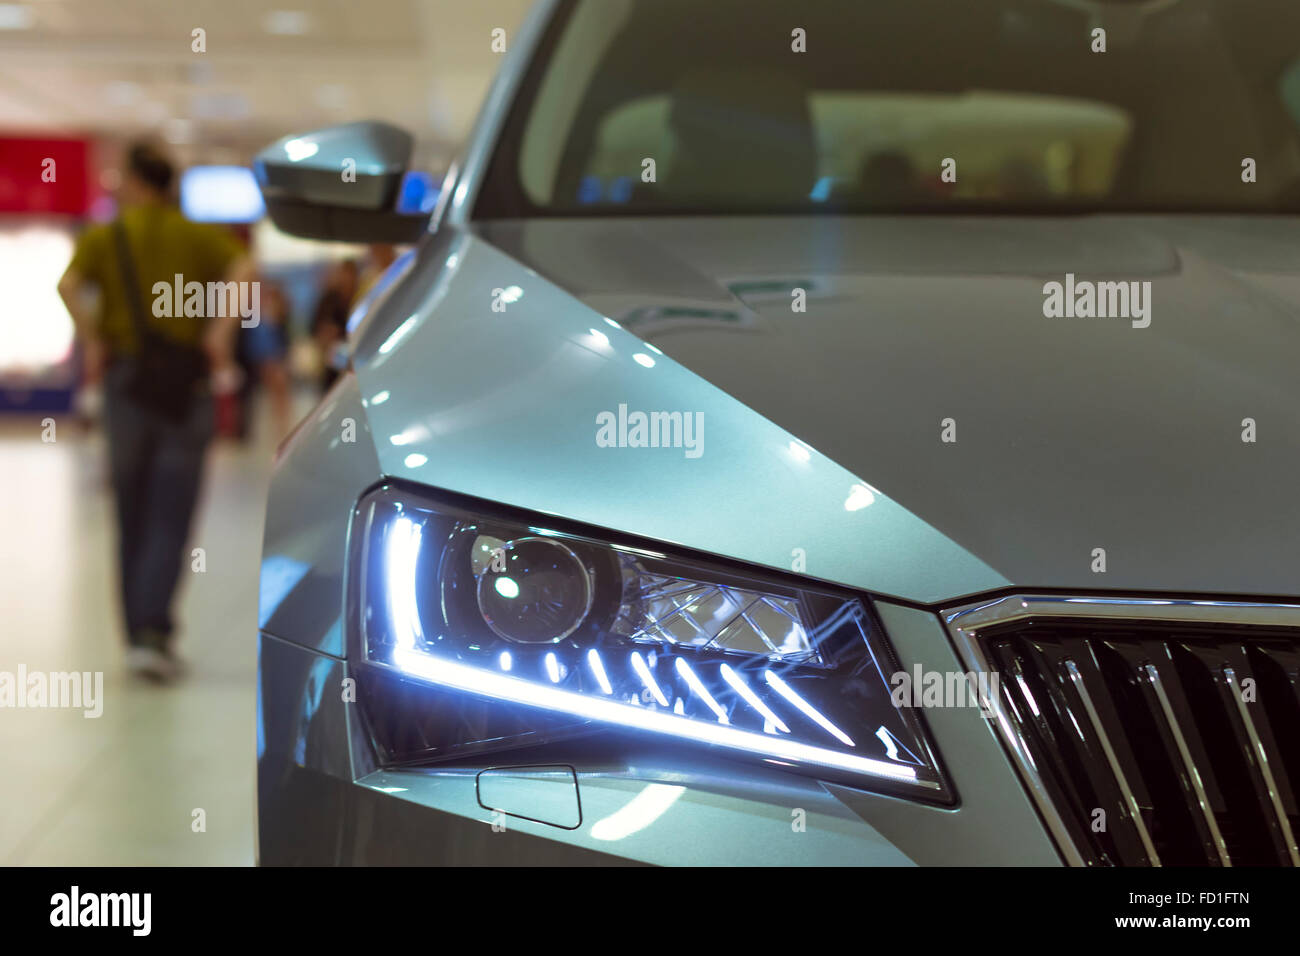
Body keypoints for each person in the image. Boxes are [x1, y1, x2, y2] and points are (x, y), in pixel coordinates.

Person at [57, 141, 254, 682]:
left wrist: (94, 338)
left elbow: (68, 285)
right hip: (184, 386)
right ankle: (153, 633)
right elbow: (243, 269)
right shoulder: (198, 235)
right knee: (172, 507)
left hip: (127, 381)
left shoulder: (105, 236)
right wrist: (218, 331)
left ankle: (135, 634)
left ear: (136, 182)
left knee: (131, 509)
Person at [310, 258, 358, 393]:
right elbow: (316, 329)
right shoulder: (329, 301)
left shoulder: (359, 298)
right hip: (333, 364)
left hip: (354, 361)